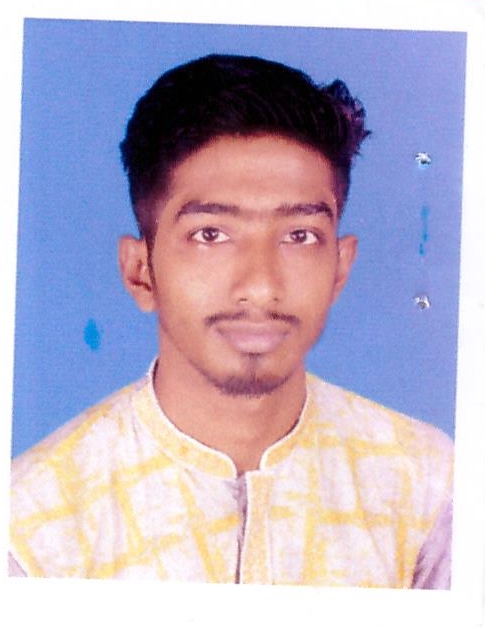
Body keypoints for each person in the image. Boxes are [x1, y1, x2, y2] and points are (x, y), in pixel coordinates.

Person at [9, 54, 453, 586]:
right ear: (140, 272)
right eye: (211, 235)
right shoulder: (32, 527)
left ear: (340, 267)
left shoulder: (431, 487)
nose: (261, 286)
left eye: (299, 236)